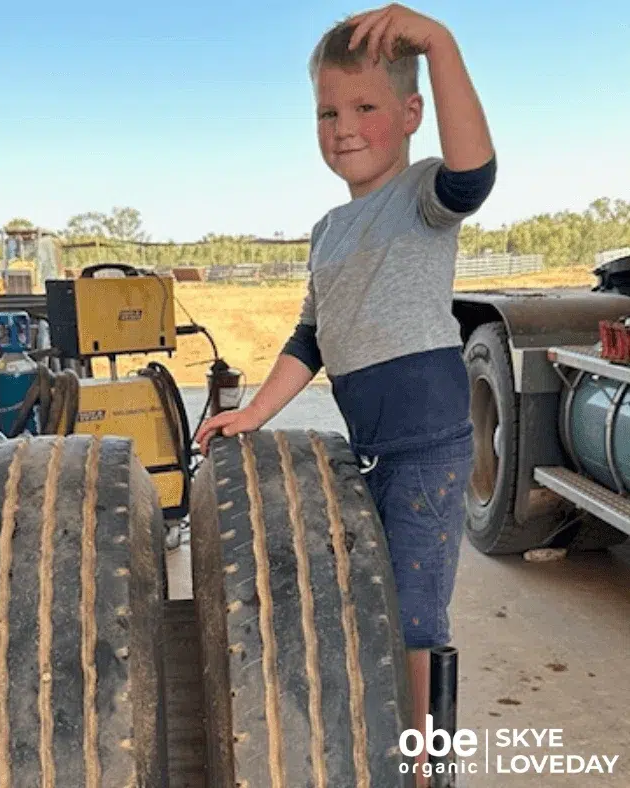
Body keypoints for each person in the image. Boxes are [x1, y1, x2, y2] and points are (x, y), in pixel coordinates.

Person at [195, 4, 495, 785]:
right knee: (370, 603)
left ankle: (426, 765)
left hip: (427, 441)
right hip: (365, 445)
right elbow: (311, 339)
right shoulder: (328, 228)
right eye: (328, 111)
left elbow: (475, 171)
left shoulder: (425, 195)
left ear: (410, 114)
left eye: (366, 108)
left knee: (415, 615)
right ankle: (382, 732)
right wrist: (255, 412)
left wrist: (438, 43)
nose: (343, 127)